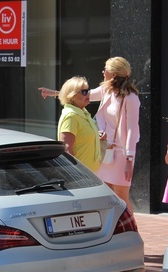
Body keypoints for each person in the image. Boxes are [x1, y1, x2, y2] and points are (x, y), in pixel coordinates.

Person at [41, 57, 140, 213]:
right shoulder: (107, 90)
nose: (103, 72)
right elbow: (82, 94)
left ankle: (131, 229)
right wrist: (54, 93)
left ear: (113, 74)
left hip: (121, 153)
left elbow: (132, 130)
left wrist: (129, 159)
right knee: (106, 195)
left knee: (122, 196)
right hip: (105, 151)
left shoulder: (131, 98)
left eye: (105, 69)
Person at [56, 76, 101, 173]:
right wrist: (77, 175)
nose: (88, 94)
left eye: (88, 91)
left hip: (92, 175)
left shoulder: (82, 112)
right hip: (81, 177)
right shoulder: (71, 116)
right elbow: (67, 149)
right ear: (72, 96)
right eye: (84, 92)